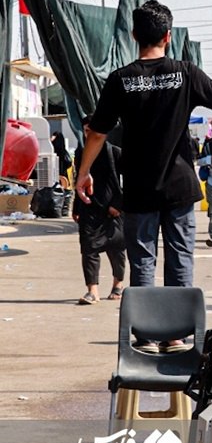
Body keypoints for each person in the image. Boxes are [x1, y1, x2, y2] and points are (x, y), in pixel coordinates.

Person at [75, 0, 212, 297]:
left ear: (133, 35)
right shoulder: (185, 73)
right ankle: (175, 335)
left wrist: (84, 173)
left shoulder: (120, 79)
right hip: (179, 187)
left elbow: (96, 134)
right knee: (180, 258)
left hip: (139, 188)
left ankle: (147, 336)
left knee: (142, 262)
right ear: (168, 36)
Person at [71, 116, 126, 305]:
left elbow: (128, 181)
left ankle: (117, 283)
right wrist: (76, 207)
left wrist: (118, 205)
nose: (89, 135)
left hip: (113, 210)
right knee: (88, 248)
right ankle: (92, 291)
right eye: (86, 131)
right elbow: (78, 181)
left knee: (116, 248)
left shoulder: (115, 153)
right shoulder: (81, 154)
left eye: (92, 131)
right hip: (89, 207)